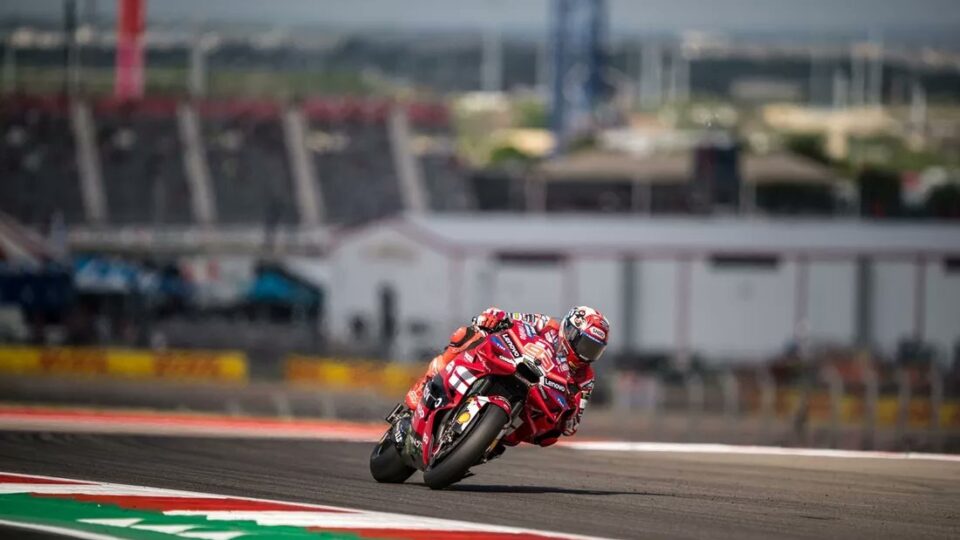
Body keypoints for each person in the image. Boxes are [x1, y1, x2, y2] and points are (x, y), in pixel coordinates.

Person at [404, 305, 610, 439]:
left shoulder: (586, 378)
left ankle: (489, 440)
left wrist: (571, 411)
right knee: (466, 334)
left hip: (535, 400)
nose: (586, 354)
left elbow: (571, 427)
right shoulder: (549, 325)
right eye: (585, 345)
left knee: (550, 435)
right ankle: (427, 381)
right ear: (571, 331)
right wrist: (493, 317)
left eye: (594, 350)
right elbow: (509, 317)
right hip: (509, 361)